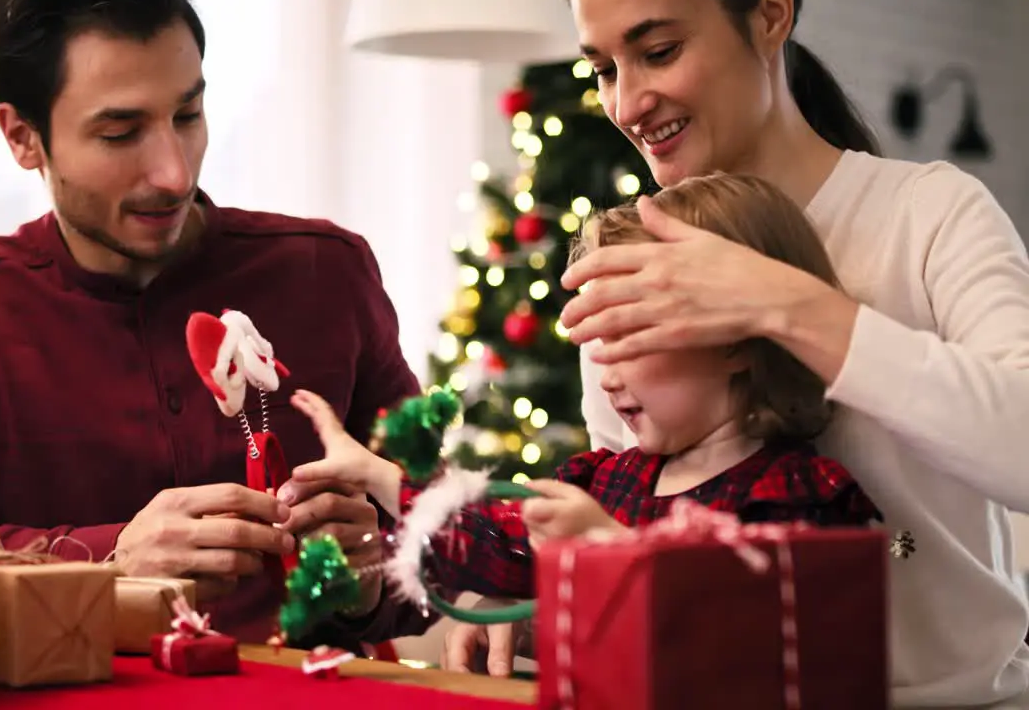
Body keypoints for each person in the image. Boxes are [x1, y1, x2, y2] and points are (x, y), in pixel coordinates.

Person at [449, 0, 1029, 706]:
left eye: (658, 52)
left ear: (771, 14)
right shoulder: (629, 262)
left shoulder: (933, 215)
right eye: (602, 70)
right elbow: (643, 539)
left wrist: (777, 300)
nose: (626, 105)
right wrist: (534, 606)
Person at [0, 0, 425, 649]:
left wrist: (371, 574)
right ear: (22, 136)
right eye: (120, 133)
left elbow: (443, 545)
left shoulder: (328, 273)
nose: (173, 172)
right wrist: (103, 561)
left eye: (188, 113)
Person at [285, 172, 880, 602]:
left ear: (735, 339)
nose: (606, 372)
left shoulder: (798, 498)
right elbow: (492, 542)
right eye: (598, 340)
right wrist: (372, 471)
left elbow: (751, 641)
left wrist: (611, 548)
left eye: (630, 334)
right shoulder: (609, 480)